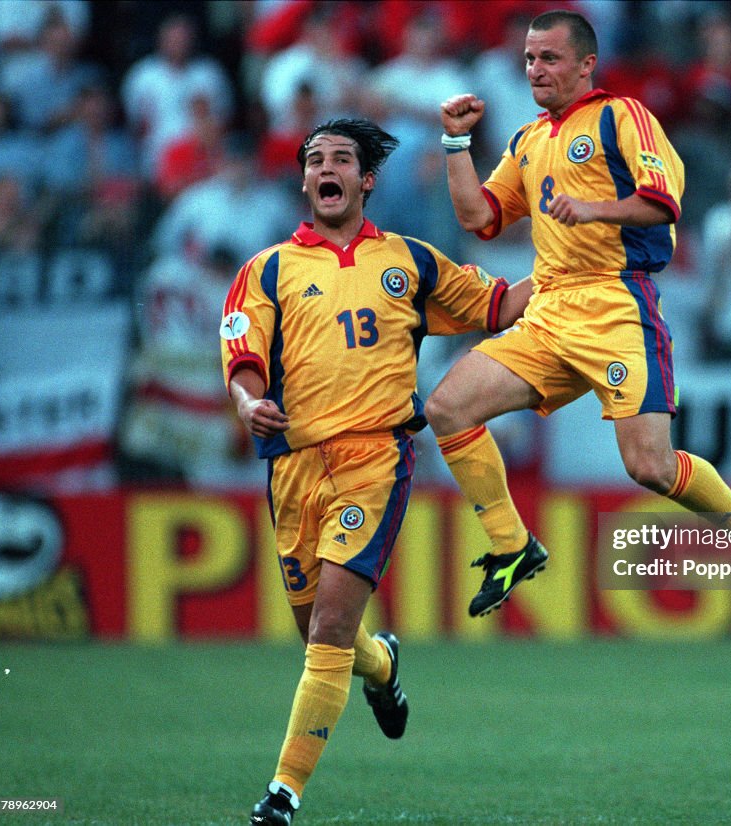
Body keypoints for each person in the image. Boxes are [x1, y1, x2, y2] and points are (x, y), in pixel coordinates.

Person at [429, 9, 731, 619]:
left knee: (648, 465)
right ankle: (512, 545)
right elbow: (479, 219)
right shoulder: (528, 139)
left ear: (585, 63)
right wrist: (456, 144)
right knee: (447, 407)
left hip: (617, 304)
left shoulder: (622, 116)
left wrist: (595, 208)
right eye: (528, 59)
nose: (535, 69)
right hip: (549, 309)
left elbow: (664, 203)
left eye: (548, 57)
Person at [222, 118, 530, 826]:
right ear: (304, 180)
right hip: (294, 469)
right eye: (315, 160)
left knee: (327, 633)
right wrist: (247, 403)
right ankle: (384, 666)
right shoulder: (267, 269)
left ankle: (282, 796)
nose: (326, 168)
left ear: (366, 181)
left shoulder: (409, 262)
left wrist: (571, 272)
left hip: (376, 460)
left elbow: (495, 305)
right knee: (321, 638)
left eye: (342, 160)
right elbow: (244, 357)